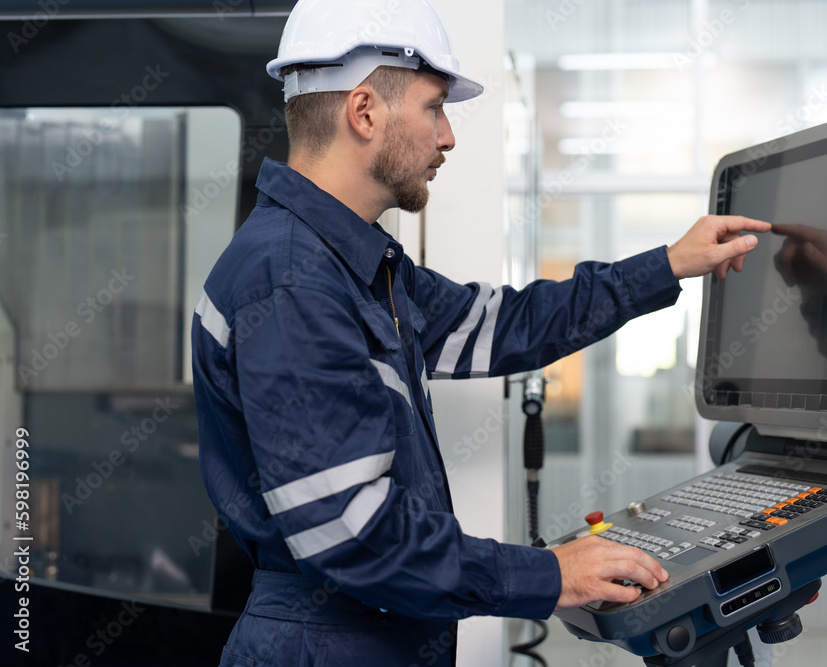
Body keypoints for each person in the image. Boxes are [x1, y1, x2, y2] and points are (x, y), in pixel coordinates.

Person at [191, 1, 770, 665]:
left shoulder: (350, 263)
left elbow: (503, 323)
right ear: (364, 112)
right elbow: (356, 535)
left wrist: (667, 264)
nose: (448, 137)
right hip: (328, 641)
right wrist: (551, 575)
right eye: (434, 107)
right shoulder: (294, 283)